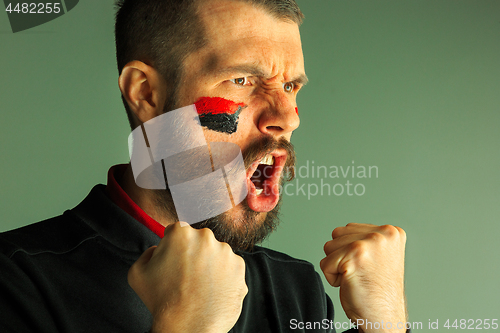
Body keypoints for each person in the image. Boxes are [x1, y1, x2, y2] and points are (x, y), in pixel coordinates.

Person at [0, 0, 408, 332]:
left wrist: (386, 326)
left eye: (289, 86)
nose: (287, 117)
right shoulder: (16, 281)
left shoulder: (294, 289)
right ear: (146, 94)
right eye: (244, 81)